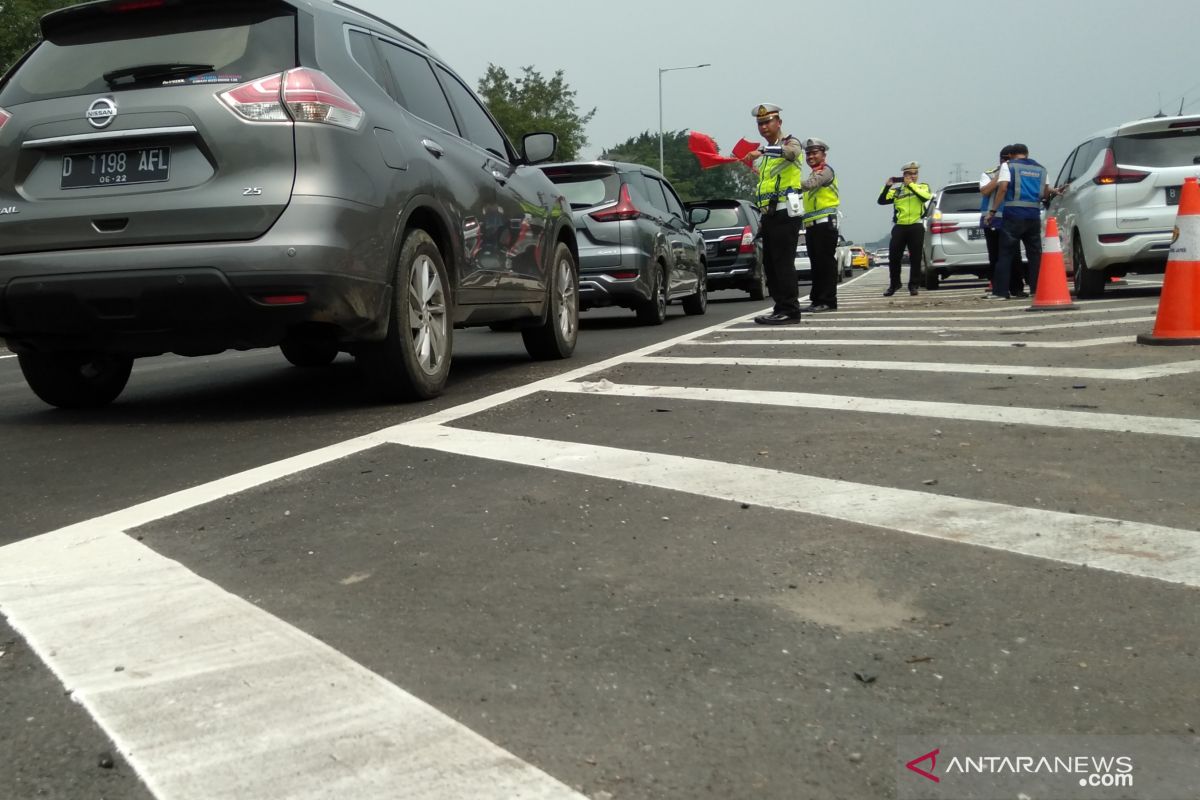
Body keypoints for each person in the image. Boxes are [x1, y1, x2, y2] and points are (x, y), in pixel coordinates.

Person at [744, 103, 804, 324]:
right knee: (770, 263)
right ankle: (780, 307)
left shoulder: (789, 142)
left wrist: (762, 150)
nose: (763, 127)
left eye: (767, 122)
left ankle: (790, 309)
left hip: (786, 212)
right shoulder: (767, 156)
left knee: (782, 262)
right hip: (770, 215)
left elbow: (793, 153)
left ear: (779, 122)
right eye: (760, 123)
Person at [985, 143, 1064, 299]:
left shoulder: (1009, 166)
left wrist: (993, 211)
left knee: (1005, 255)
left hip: (1013, 216)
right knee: (1035, 255)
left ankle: (1001, 292)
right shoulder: (1041, 169)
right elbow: (1044, 193)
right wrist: (1055, 191)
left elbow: (1003, 188)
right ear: (1027, 154)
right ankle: (1036, 289)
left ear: (1012, 155)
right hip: (1033, 216)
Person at [877, 161, 932, 296]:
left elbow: (925, 197)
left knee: (916, 257)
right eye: (910, 174)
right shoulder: (897, 191)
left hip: (916, 225)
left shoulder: (922, 186)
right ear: (904, 175)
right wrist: (887, 186)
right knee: (894, 257)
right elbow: (881, 200)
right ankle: (894, 284)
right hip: (900, 226)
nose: (913, 176)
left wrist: (911, 185)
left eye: (915, 173)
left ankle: (914, 286)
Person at [979, 145, 1027, 297]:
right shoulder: (989, 173)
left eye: (1009, 159)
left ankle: (1017, 288)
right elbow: (985, 191)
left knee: (1015, 256)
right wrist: (1000, 175)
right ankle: (998, 288)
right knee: (995, 256)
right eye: (1004, 159)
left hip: (1011, 218)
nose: (1007, 162)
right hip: (992, 220)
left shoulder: (1017, 172)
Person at [798, 137, 840, 312]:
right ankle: (817, 300)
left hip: (825, 224)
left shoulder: (826, 171)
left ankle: (828, 300)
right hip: (812, 225)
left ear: (824, 154)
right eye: (808, 153)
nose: (810, 156)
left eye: (814, 153)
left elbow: (810, 185)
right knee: (816, 264)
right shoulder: (814, 172)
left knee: (825, 263)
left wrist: (790, 183)